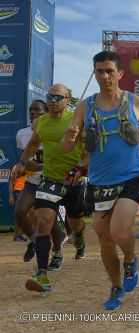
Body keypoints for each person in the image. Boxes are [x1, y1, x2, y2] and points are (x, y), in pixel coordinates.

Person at [62, 50, 139, 310]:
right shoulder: (86, 105)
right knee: (104, 238)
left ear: (120, 74)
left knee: (118, 231)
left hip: (129, 178)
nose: (104, 76)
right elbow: (67, 145)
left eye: (109, 71)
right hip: (99, 182)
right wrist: (70, 137)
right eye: (99, 71)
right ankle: (116, 287)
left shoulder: (135, 102)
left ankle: (130, 260)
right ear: (94, 73)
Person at [13, 84, 87, 293]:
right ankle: (42, 276)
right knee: (43, 221)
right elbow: (33, 144)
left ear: (67, 100)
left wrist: (81, 168)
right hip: (50, 179)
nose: (53, 101)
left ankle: (79, 240)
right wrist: (22, 161)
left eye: (58, 97)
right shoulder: (40, 123)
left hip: (74, 181)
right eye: (50, 97)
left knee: (76, 223)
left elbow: (90, 150)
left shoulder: (77, 121)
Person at [13, 100, 47, 260]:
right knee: (20, 212)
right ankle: (33, 241)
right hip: (32, 181)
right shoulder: (22, 134)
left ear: (45, 113)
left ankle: (59, 249)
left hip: (51, 180)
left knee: (49, 219)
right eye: (31, 110)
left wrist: (40, 167)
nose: (32, 112)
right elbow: (24, 159)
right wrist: (23, 166)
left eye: (37, 110)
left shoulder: (54, 131)